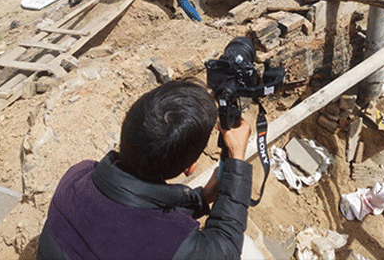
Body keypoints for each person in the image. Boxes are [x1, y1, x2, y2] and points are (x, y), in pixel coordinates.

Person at [36, 80, 253, 260]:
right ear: (190, 168)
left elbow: (133, 214)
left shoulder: (78, 175)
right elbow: (225, 248)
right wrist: (237, 160)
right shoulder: (172, 245)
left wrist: (201, 198)